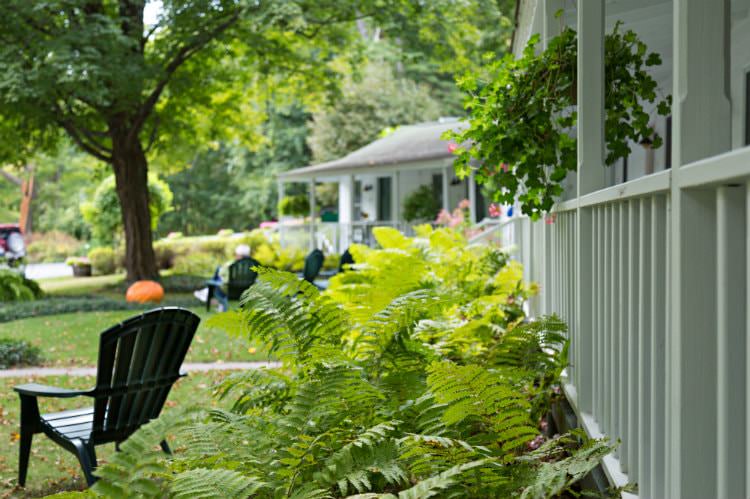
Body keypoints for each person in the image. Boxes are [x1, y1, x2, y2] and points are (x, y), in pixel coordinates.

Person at [193, 244, 252, 312]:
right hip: (245, 290)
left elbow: (222, 276)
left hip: (229, 290)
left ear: (238, 255)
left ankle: (207, 292)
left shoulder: (231, 264)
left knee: (216, 280)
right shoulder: (253, 264)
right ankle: (206, 292)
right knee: (218, 277)